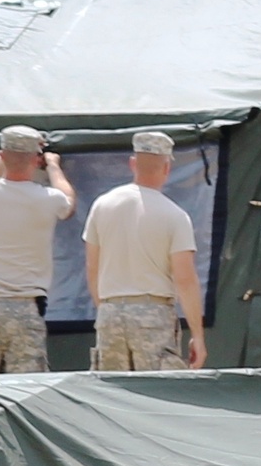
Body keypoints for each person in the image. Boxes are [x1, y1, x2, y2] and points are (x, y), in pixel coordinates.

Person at [0, 125, 75, 374]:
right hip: (25, 311)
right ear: (35, 159)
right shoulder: (48, 199)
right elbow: (69, 202)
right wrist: (52, 164)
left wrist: (11, 150)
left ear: (2, 156)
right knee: (24, 393)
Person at [83, 131, 207, 371]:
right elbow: (185, 279)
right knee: (157, 396)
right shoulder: (175, 215)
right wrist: (198, 337)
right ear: (167, 168)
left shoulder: (102, 205)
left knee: (111, 396)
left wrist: (108, 309)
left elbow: (92, 268)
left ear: (132, 163)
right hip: (153, 315)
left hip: (109, 314)